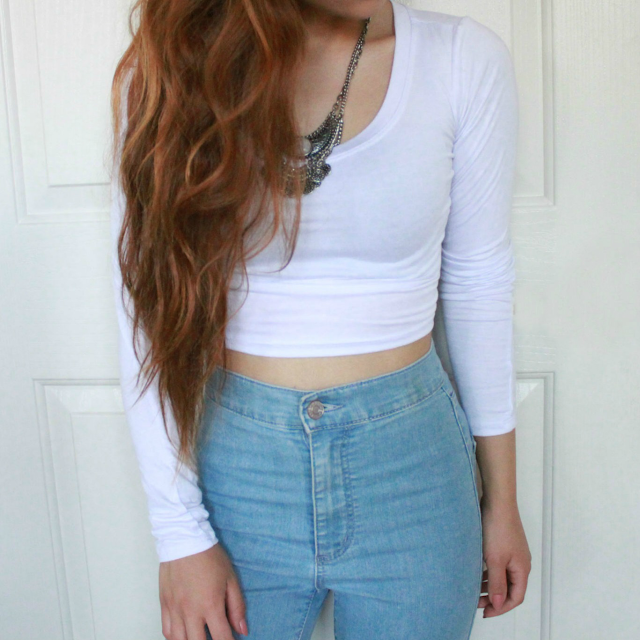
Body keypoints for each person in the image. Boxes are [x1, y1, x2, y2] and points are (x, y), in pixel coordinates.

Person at [109, 0, 532, 638]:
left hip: (413, 470)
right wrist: (178, 533)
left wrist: (502, 502)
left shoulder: (461, 60)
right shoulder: (174, 69)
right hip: (236, 469)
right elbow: (144, 307)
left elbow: (479, 284)